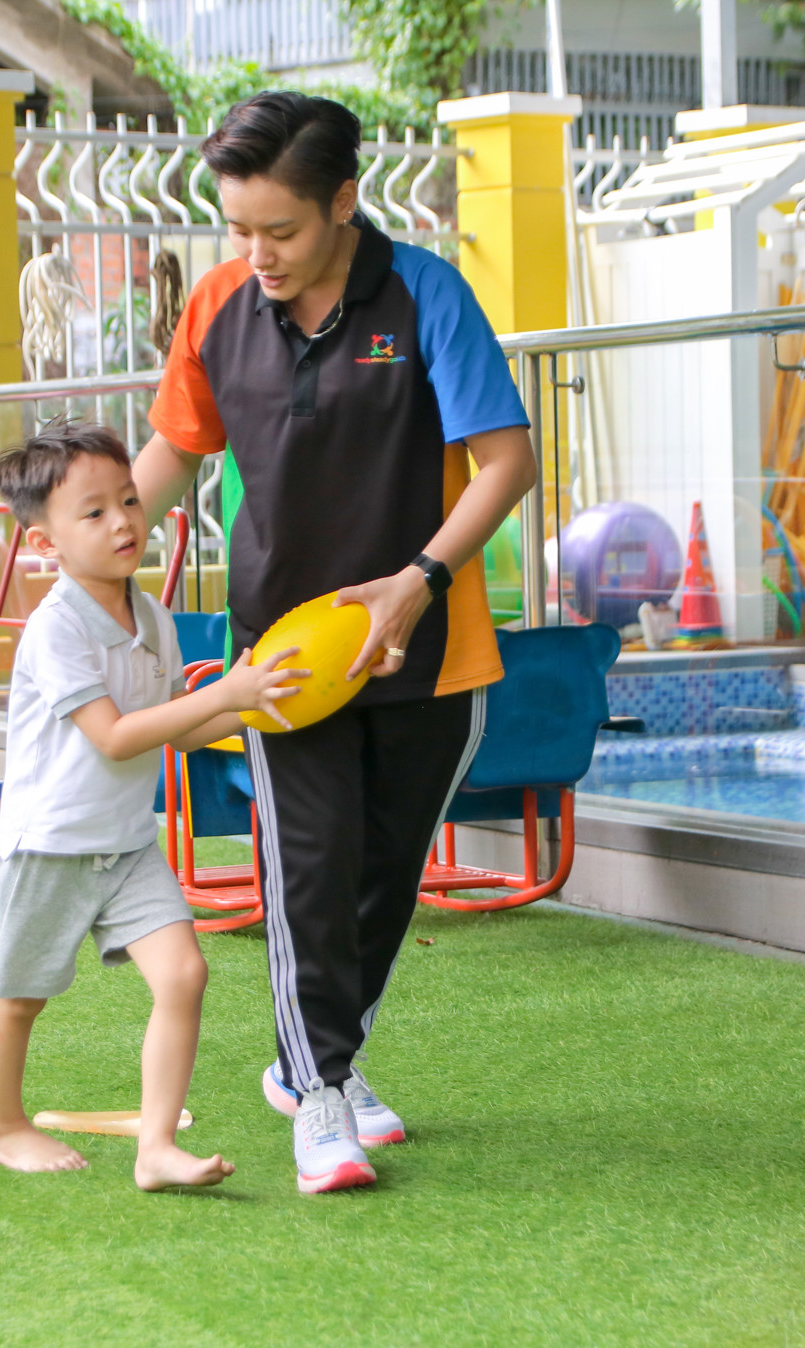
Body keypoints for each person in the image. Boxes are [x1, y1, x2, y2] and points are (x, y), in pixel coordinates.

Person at [135, 92, 537, 1194]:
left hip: (426, 647)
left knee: (384, 878)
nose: (256, 254)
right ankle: (318, 1095)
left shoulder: (426, 296)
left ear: (344, 203)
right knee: (308, 869)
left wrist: (417, 582)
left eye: (280, 230)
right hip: (282, 658)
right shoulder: (219, 304)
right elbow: (176, 448)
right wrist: (102, 541)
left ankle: (314, 1059)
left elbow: (506, 462)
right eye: (238, 229)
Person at [0, 421, 306, 1191]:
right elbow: (117, 736)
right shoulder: (56, 629)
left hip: (127, 845)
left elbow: (178, 731)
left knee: (184, 974)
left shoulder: (152, 617)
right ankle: (3, 1125)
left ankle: (155, 1147)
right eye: (93, 512)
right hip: (50, 846)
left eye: (128, 499)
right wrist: (223, 693)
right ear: (44, 542)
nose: (123, 521)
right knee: (20, 1000)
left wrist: (259, 710)